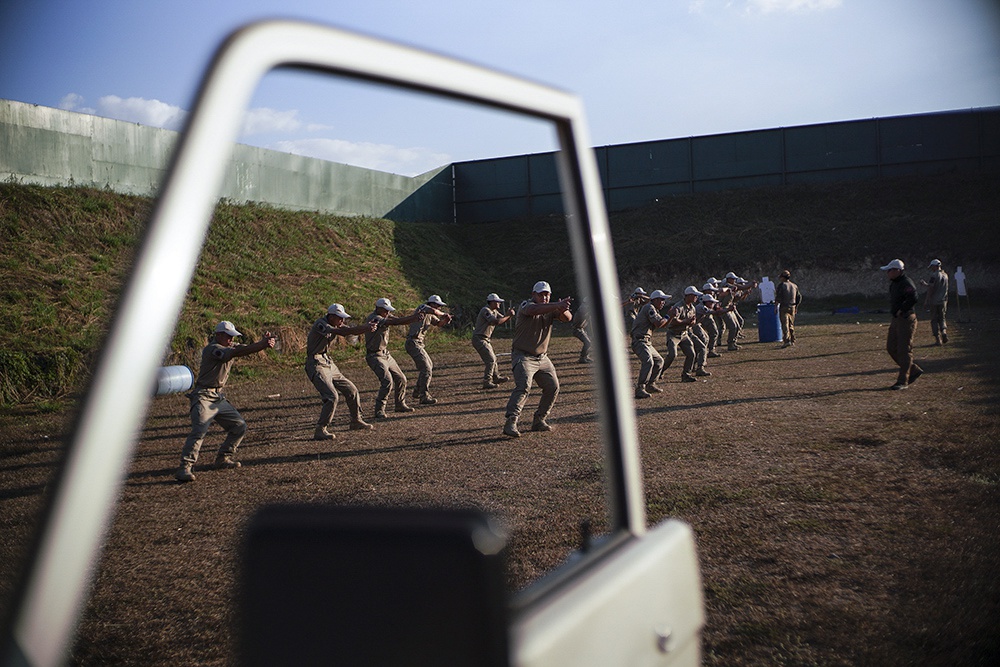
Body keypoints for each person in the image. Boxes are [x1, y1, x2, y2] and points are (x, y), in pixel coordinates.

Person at [175, 321, 276, 482]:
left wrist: (261, 344)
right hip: (203, 396)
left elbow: (241, 348)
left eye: (232, 337)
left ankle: (223, 458)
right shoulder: (212, 349)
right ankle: (185, 467)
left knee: (238, 426)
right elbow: (235, 352)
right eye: (228, 336)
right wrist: (261, 345)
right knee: (199, 431)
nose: (231, 339)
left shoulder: (229, 346)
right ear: (219, 335)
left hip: (217, 397)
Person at [502, 281, 572, 438]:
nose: (544, 297)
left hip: (542, 357)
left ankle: (539, 419)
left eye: (547, 294)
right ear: (533, 294)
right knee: (523, 386)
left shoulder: (551, 308)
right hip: (523, 355)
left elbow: (567, 318)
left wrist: (562, 309)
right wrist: (557, 304)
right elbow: (534, 310)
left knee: (553, 387)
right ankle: (511, 421)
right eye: (541, 294)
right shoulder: (526, 305)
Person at [306, 303, 377, 441]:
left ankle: (356, 420)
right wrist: (365, 328)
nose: (342, 321)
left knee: (351, 389)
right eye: (340, 318)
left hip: (327, 361)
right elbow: (341, 332)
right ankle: (321, 429)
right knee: (331, 396)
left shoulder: (336, 324)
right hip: (316, 363)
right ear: (331, 316)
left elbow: (350, 330)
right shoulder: (321, 324)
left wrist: (366, 328)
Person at [364, 297, 429, 419]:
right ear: (378, 309)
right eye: (385, 310)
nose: (388, 313)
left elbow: (398, 319)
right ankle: (379, 409)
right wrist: (414, 318)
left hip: (385, 354)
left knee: (401, 378)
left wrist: (413, 318)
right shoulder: (375, 318)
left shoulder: (384, 316)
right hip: (375, 355)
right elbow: (395, 322)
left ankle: (400, 404)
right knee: (387, 381)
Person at [880, 259, 924, 390]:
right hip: (896, 319)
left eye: (890, 270)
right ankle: (913, 370)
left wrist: (902, 309)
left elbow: (914, 297)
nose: (888, 273)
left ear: (897, 271)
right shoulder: (894, 283)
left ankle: (903, 380)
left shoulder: (906, 282)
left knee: (904, 350)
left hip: (906, 319)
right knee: (891, 347)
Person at [404, 294, 453, 405]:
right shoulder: (423, 308)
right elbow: (434, 312)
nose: (439, 308)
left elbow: (439, 324)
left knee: (428, 366)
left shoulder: (430, 314)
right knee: (426, 368)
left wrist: (445, 320)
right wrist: (444, 314)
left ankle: (418, 390)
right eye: (438, 305)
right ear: (433, 304)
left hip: (419, 343)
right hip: (413, 342)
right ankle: (423, 395)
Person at [631, 289, 670, 399]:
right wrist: (668, 316)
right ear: (656, 300)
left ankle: (650, 384)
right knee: (648, 361)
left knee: (659, 361)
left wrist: (669, 317)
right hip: (639, 340)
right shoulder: (649, 308)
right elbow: (658, 323)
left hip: (646, 341)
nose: (663, 302)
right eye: (662, 300)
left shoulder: (653, 308)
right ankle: (640, 388)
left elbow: (661, 323)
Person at [661, 286, 704, 383]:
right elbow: (673, 321)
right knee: (672, 355)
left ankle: (686, 375)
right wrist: (686, 321)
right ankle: (660, 371)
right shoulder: (678, 307)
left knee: (691, 354)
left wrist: (692, 322)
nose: (696, 297)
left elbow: (692, 321)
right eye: (694, 295)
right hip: (673, 334)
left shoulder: (692, 307)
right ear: (688, 296)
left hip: (684, 334)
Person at [472, 293, 514, 389]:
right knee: (490, 360)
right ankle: (487, 381)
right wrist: (508, 316)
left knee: (493, 358)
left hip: (485, 339)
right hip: (479, 338)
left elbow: (502, 319)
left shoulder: (493, 311)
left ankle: (495, 377)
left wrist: (508, 315)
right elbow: (496, 322)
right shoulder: (486, 310)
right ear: (492, 302)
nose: (499, 304)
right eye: (497, 302)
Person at [921, 259, 949, 345]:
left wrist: (926, 300)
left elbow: (931, 288)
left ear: (934, 266)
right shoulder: (945, 275)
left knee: (934, 319)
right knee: (942, 317)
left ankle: (938, 339)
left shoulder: (934, 276)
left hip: (934, 301)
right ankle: (944, 331)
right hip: (943, 300)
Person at [775, 270, 803, 348]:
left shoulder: (782, 285)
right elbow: (799, 297)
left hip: (784, 306)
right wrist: (796, 307)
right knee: (791, 324)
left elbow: (778, 297)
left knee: (785, 324)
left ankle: (787, 341)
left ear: (782, 277)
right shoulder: (794, 286)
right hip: (792, 306)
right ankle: (792, 339)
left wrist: (775, 306)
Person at [572, 297, 593, 363]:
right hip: (577, 329)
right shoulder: (584, 308)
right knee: (588, 343)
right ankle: (582, 358)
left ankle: (585, 357)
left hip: (581, 328)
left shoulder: (584, 307)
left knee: (589, 342)